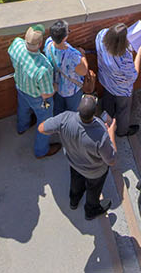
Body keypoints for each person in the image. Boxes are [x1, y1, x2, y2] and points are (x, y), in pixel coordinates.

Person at [38, 93, 119, 224]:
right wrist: (111, 133)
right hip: (95, 172)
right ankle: (91, 210)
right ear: (94, 113)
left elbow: (41, 128)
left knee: (76, 181)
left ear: (78, 108)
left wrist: (57, 127)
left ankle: (74, 201)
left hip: (74, 163)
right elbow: (111, 160)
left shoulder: (65, 118)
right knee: (93, 190)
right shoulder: (101, 134)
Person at [9, 25, 57, 157]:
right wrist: (56, 87)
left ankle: (22, 127)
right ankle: (41, 150)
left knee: (23, 108)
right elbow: (46, 94)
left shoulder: (17, 44)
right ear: (40, 43)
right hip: (37, 98)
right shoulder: (44, 67)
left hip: (21, 87)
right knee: (45, 122)